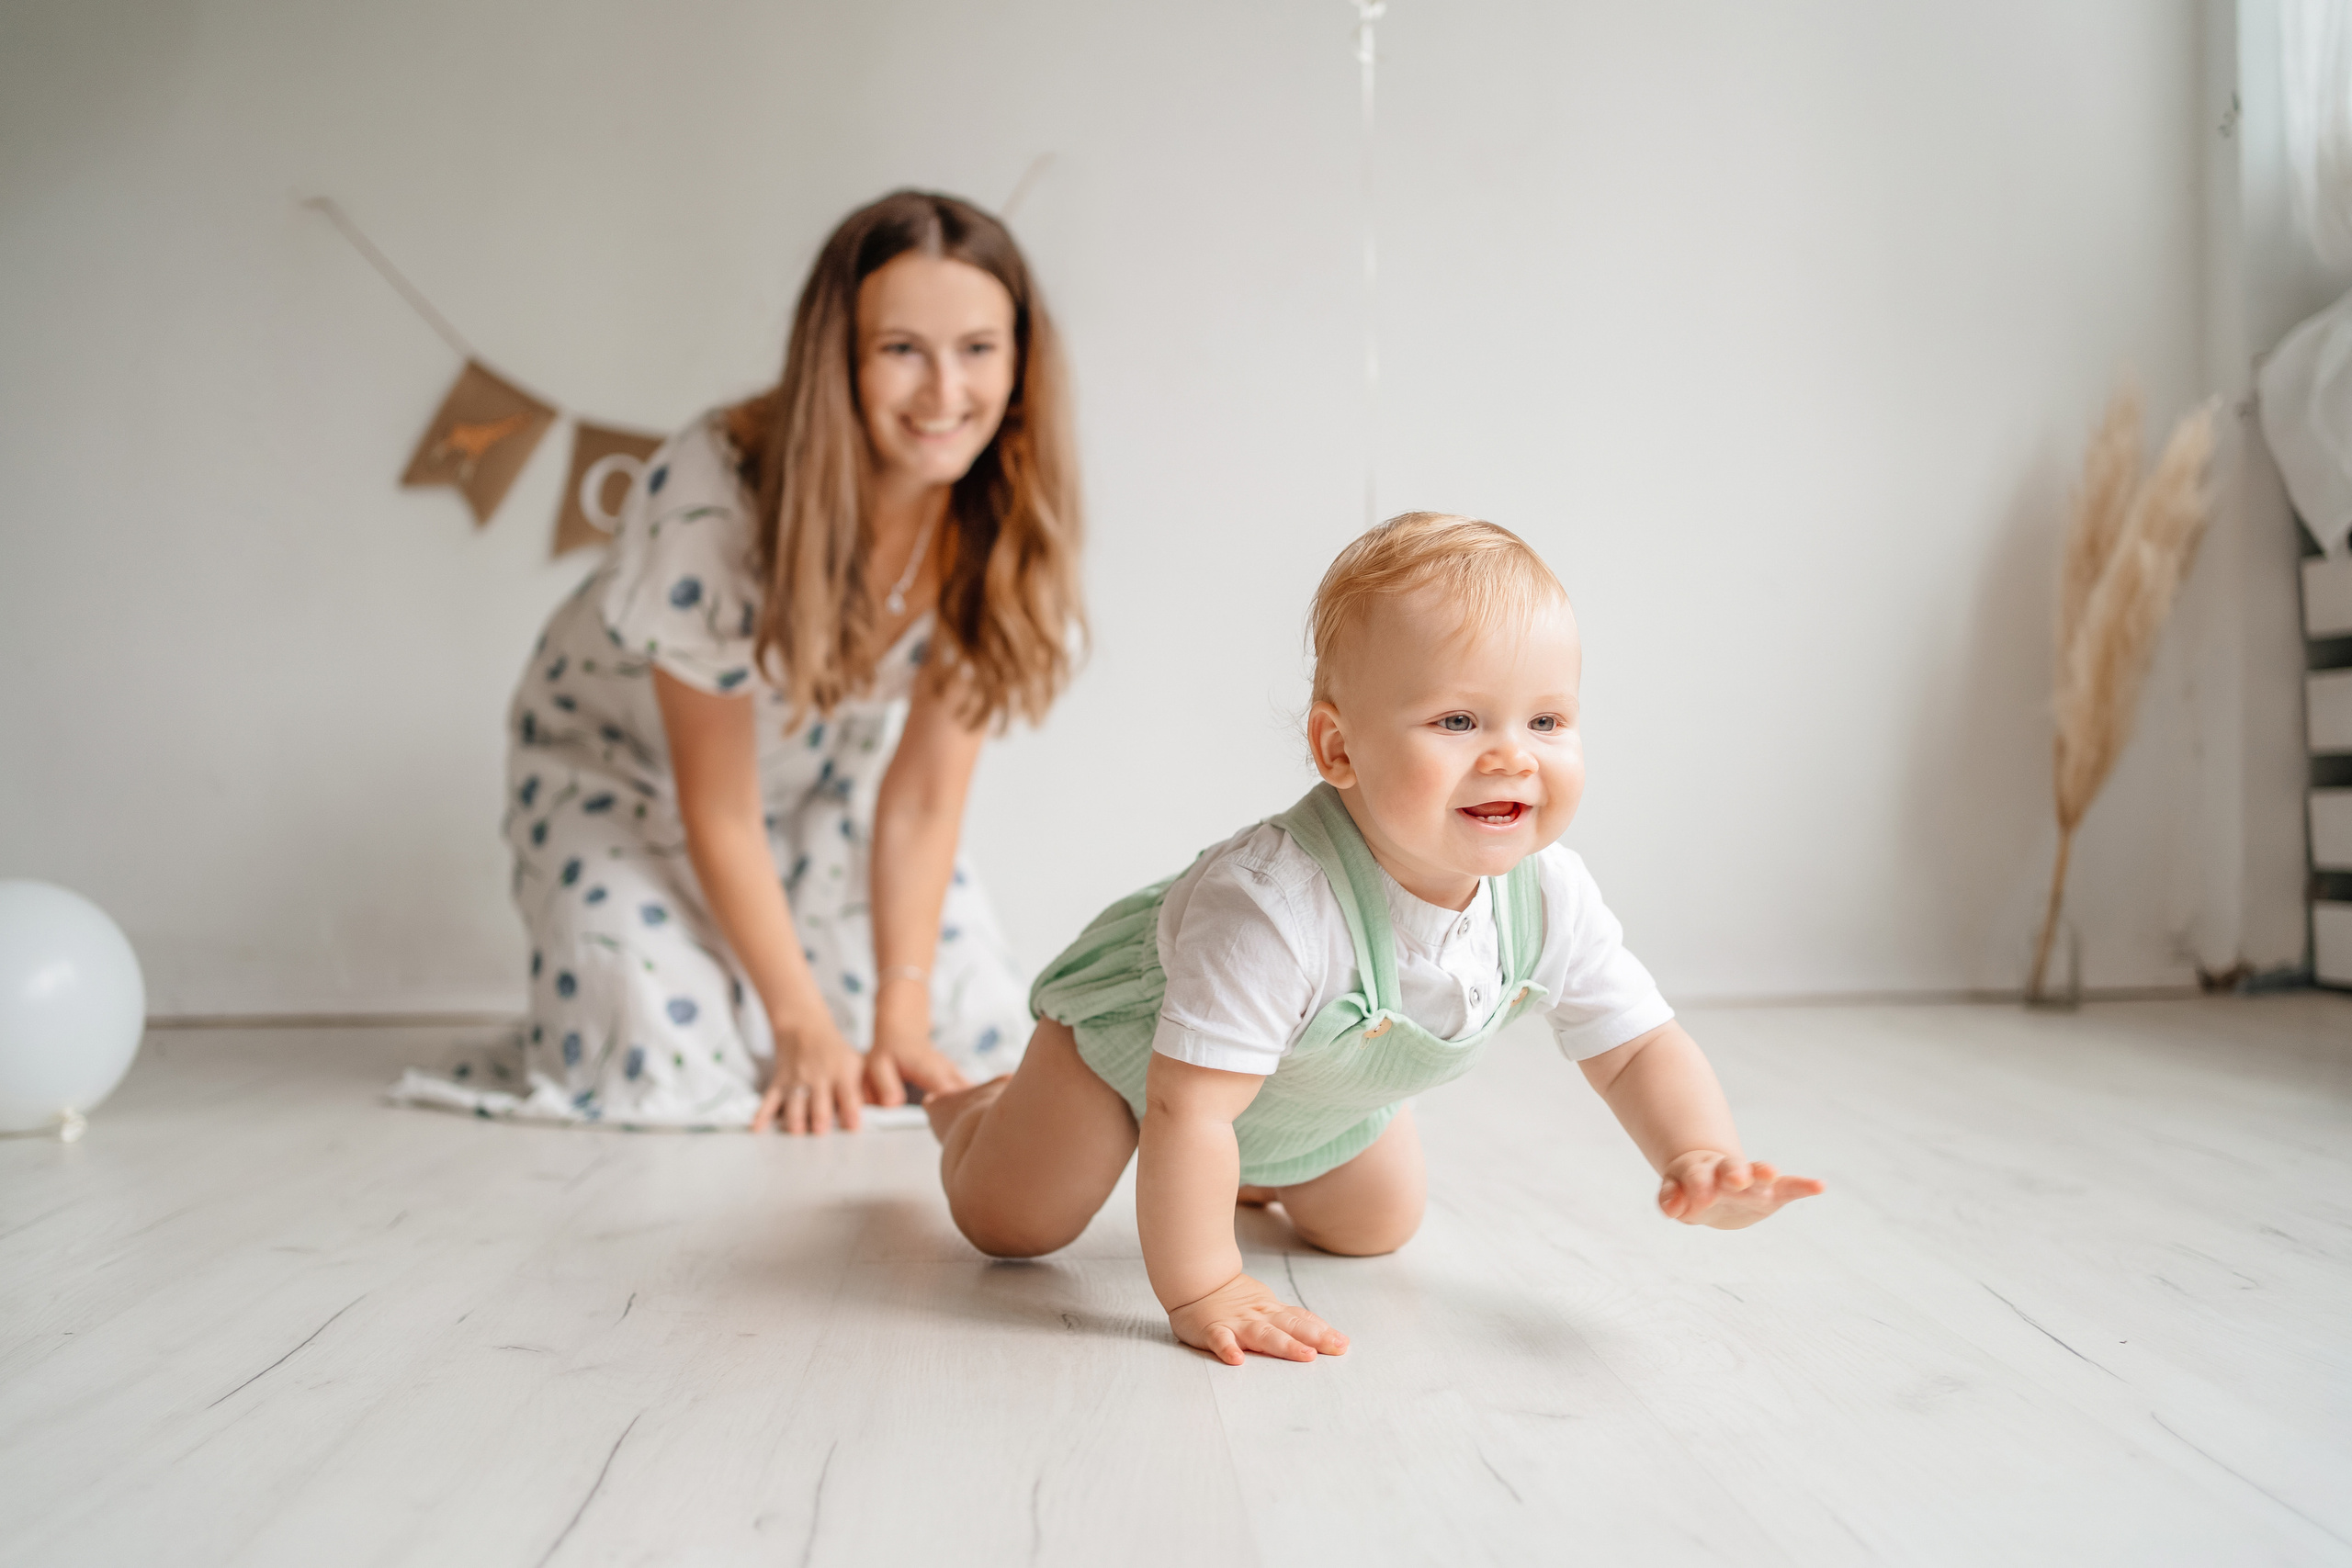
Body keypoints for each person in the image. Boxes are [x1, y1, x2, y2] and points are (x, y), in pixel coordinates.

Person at [923, 513, 1822, 1363]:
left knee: (1375, 1226)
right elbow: (1187, 1110)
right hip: (1135, 1062)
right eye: (1458, 721)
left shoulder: (1549, 897)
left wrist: (1698, 1155)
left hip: (1301, 1096)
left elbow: (1635, 1050)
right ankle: (975, 1109)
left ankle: (1243, 1173)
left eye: (1546, 721)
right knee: (1013, 1221)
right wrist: (1207, 1286)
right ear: (1339, 749)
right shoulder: (1272, 907)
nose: (1513, 755)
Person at [395, 190, 1081, 1134]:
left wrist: (899, 1012)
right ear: (838, 358)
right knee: (665, 1066)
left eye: (977, 348)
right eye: (900, 349)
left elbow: (922, 801)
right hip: (619, 777)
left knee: (976, 1038)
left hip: (814, 791)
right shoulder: (715, 488)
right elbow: (717, 806)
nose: (943, 393)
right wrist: (801, 1023)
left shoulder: (996, 511)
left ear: (1019, 358)